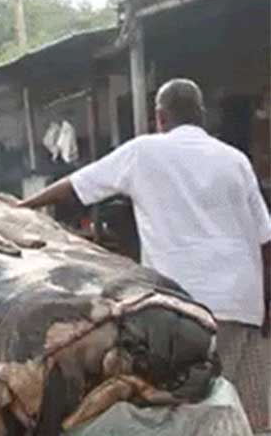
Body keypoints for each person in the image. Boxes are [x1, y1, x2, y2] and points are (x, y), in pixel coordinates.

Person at [19, 78, 271, 433]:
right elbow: (265, 238)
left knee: (188, 412)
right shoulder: (236, 160)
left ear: (160, 117)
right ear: (201, 115)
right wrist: (266, 303)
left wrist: (17, 206)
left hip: (185, 309)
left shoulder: (144, 151)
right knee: (247, 410)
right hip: (243, 301)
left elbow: (75, 187)